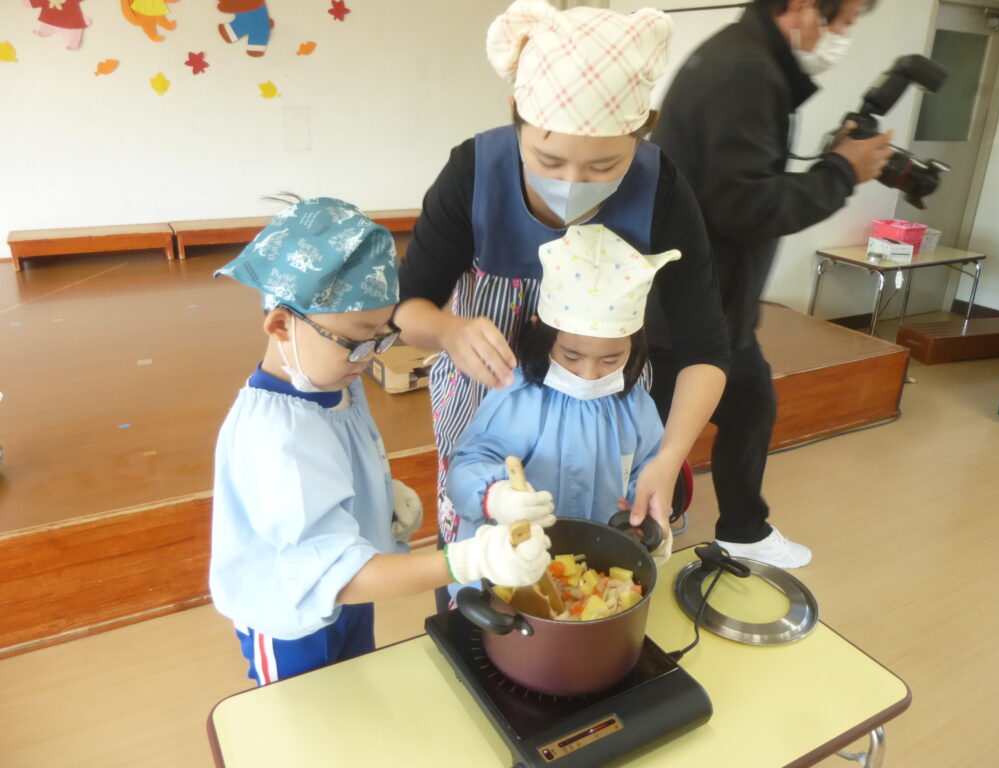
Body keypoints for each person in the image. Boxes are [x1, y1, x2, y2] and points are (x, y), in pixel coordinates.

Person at [396, 1, 730, 561]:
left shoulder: (661, 187)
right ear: (516, 117)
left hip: (608, 392)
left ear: (641, 131)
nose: (572, 184)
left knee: (594, 538)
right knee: (485, 539)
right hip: (486, 387)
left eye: (604, 167)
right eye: (547, 159)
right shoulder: (474, 171)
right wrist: (448, 330)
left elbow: (706, 346)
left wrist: (667, 457)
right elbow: (407, 307)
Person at [208, 197, 551, 685]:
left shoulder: (334, 378)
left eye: (381, 338)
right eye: (356, 339)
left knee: (352, 691)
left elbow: (340, 465)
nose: (368, 358)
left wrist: (378, 493)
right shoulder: (277, 437)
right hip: (290, 614)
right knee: (302, 716)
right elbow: (337, 575)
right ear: (282, 323)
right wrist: (467, 559)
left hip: (350, 582)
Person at [651, 0, 892, 568]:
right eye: (848, 20)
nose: (845, 36)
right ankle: (631, 535)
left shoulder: (745, 58)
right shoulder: (746, 70)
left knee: (749, 403)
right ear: (806, 7)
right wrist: (842, 171)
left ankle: (741, 528)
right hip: (690, 304)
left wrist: (834, 160)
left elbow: (739, 185)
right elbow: (747, 206)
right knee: (652, 431)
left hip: (710, 297)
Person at [445, 225, 680, 597]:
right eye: (571, 356)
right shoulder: (517, 397)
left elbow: (648, 469)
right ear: (543, 336)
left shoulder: (635, 404)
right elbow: (466, 467)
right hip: (511, 570)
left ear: (634, 348)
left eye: (610, 359)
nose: (589, 374)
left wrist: (646, 517)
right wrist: (495, 495)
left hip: (592, 572)